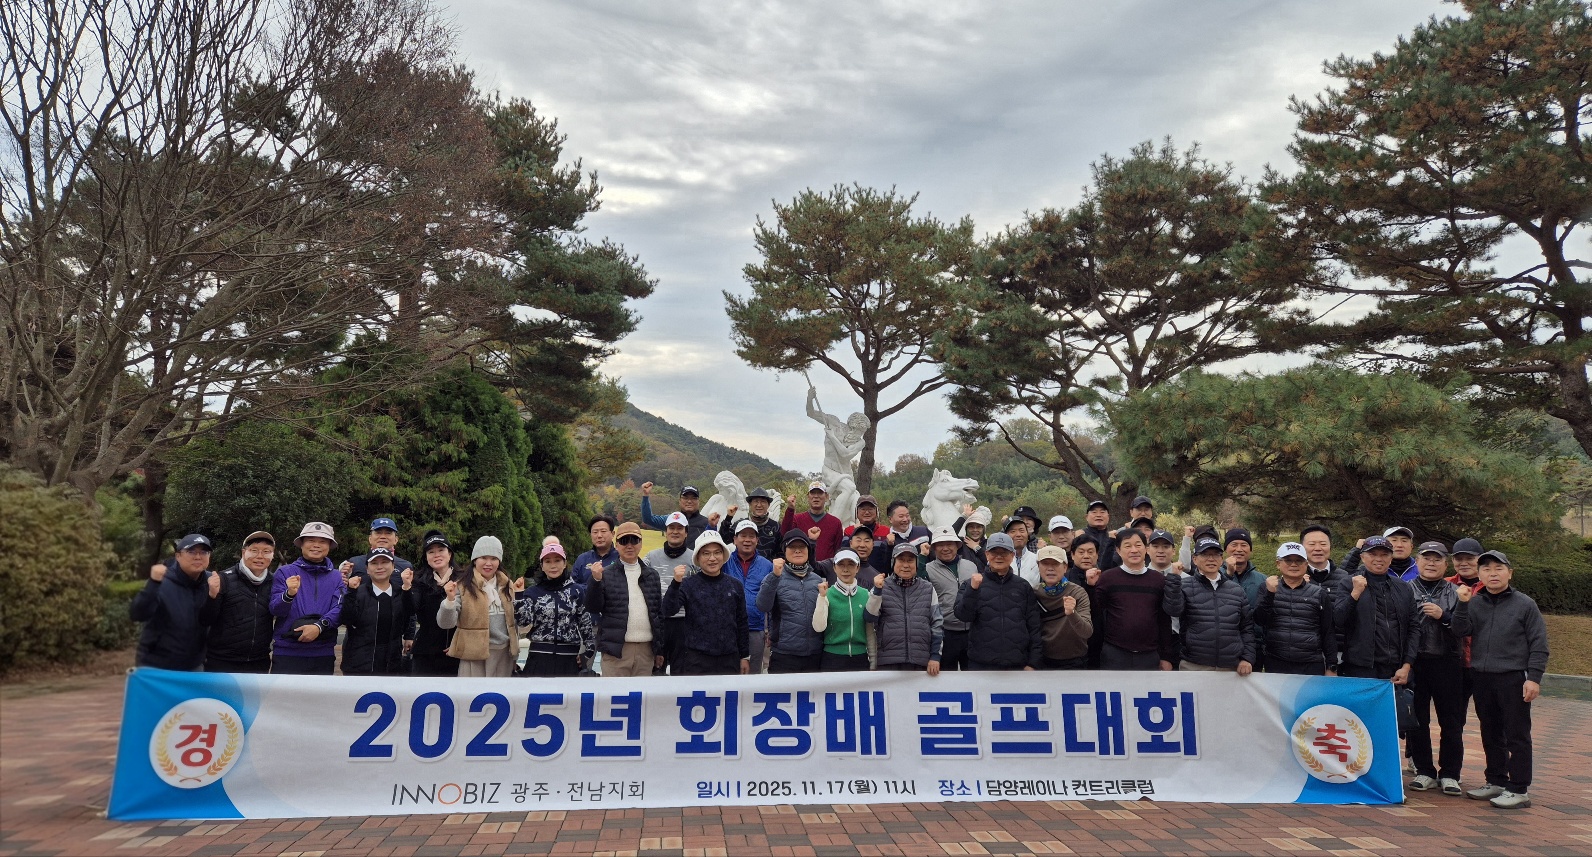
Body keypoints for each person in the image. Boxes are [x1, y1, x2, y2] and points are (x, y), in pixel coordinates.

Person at [1451, 550, 1549, 809]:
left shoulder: (1525, 604)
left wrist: (1534, 678)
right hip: (1482, 676)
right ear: (1479, 575)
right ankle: (1495, 780)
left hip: (1513, 677)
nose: (1492, 574)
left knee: (1517, 734)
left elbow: (1539, 644)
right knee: (1490, 731)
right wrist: (1462, 604)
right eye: (1486, 569)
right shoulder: (1475, 602)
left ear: (1510, 573)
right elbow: (1459, 630)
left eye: (1498, 568)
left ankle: (1519, 788)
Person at [1406, 541, 1467, 796]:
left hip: (1448, 662)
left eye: (1437, 559)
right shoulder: (1405, 589)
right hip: (1415, 662)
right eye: (1426, 558)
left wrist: (1443, 616)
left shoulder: (1457, 592)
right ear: (1417, 561)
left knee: (1451, 721)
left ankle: (1451, 773)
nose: (1431, 563)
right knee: (1417, 720)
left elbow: (1464, 628)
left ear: (1446, 563)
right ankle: (1425, 771)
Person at [1164, 537, 1255, 674]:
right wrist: (1173, 579)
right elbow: (1173, 610)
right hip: (1194, 665)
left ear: (1222, 559)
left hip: (1230, 666)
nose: (1211, 559)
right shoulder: (1184, 586)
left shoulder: (1236, 590)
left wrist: (1247, 658)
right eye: (1205, 554)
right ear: (1195, 559)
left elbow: (1246, 627)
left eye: (1216, 555)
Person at [662, 532, 750, 675]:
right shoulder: (688, 584)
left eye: (717, 553)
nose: (712, 558)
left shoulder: (735, 585)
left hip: (729, 658)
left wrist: (744, 656)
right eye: (706, 553)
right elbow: (668, 610)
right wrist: (675, 583)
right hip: (696, 660)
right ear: (698, 557)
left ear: (723, 555)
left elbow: (742, 622)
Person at [584, 521, 665, 677]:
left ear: (641, 543)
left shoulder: (652, 575)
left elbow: (658, 614)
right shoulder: (605, 574)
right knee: (613, 693)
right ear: (616, 545)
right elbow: (593, 607)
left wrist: (659, 649)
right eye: (624, 540)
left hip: (646, 650)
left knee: (642, 693)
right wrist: (595, 581)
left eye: (634, 540)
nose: (629, 545)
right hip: (616, 651)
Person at [953, 532, 1043, 671]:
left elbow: (1034, 626)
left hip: (1017, 665)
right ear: (987, 554)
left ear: (1012, 555)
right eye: (994, 552)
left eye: (1004, 552)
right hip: (981, 664)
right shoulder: (971, 584)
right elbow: (963, 615)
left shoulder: (1023, 586)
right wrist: (973, 590)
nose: (999, 557)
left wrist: (1033, 662)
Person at [132, 533, 220, 671]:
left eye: (204, 552)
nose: (198, 557)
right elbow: (138, 614)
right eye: (191, 551)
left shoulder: (212, 582)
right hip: (157, 666)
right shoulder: (162, 580)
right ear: (178, 556)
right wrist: (153, 583)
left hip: (194, 665)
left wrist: (213, 596)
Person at [437, 536, 521, 677]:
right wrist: (450, 600)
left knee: (501, 691)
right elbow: (445, 623)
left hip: (504, 654)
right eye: (483, 557)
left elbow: (518, 623)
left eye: (493, 558)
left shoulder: (508, 585)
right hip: (473, 655)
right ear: (475, 559)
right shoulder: (462, 585)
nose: (488, 563)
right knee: (471, 691)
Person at [1339, 535, 1419, 682]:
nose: (1379, 559)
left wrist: (1407, 665)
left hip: (1395, 668)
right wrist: (1355, 594)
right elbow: (1338, 620)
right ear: (1362, 557)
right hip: (1359, 667)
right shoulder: (1349, 583)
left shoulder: (1403, 587)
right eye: (1373, 554)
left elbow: (1413, 627)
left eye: (1384, 554)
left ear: (1391, 558)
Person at [269, 522, 346, 675]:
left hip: (323, 653)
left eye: (322, 541)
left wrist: (318, 626)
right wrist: (289, 594)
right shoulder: (285, 572)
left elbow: (340, 608)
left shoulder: (337, 576)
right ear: (302, 544)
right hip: (287, 652)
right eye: (311, 540)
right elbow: (275, 609)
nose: (316, 545)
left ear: (329, 546)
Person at [1093, 529, 1175, 671]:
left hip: (1149, 654)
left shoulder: (1158, 580)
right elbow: (1096, 612)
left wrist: (1166, 656)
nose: (1134, 550)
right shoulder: (1108, 578)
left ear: (1146, 549)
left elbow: (1164, 620)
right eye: (1127, 546)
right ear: (1118, 550)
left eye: (1138, 545)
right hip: (1115, 652)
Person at [757, 530, 834, 673]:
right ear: (784, 551)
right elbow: (763, 605)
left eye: (802, 547)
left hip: (815, 654)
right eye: (792, 547)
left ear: (808, 550)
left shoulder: (817, 580)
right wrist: (774, 576)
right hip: (784, 654)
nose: (797, 550)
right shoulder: (774, 577)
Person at [1255, 542, 1338, 676]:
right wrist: (1270, 594)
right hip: (1276, 661)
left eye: (1299, 560)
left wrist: (1331, 665)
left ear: (1306, 564)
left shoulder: (1319, 593)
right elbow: (1260, 620)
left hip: (1311, 664)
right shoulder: (1266, 588)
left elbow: (1328, 631)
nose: (1294, 564)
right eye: (1288, 560)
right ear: (1278, 563)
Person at [514, 542, 596, 676]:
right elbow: (523, 621)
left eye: (557, 560)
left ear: (564, 564)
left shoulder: (576, 591)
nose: (553, 565)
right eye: (548, 561)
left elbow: (585, 624)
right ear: (542, 566)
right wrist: (518, 596)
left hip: (569, 658)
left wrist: (587, 653)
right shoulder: (533, 592)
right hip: (539, 657)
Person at [203, 531, 277, 674]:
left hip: (259, 662)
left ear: (272, 555)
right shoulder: (223, 579)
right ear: (244, 552)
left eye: (266, 551)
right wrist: (212, 595)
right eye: (254, 550)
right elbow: (206, 619)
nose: (260, 556)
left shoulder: (275, 582)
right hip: (222, 662)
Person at [869, 543, 944, 673]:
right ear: (893, 562)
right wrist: (877, 592)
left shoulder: (928, 588)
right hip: (888, 660)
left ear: (916, 563)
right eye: (901, 560)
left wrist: (935, 656)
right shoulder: (881, 586)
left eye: (910, 560)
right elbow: (869, 617)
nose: (905, 565)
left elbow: (937, 624)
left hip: (921, 660)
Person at [338, 548, 415, 676]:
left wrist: (407, 588)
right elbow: (346, 619)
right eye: (374, 563)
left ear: (393, 566)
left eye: (384, 562)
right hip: (359, 665)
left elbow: (410, 613)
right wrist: (350, 593)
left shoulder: (401, 593)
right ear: (367, 569)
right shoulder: (356, 593)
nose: (379, 567)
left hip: (392, 665)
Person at [409, 530, 461, 677]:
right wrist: (406, 588)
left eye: (441, 550)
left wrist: (459, 641)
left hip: (456, 652)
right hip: (425, 652)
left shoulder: (464, 579)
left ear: (449, 554)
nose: (436, 555)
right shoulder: (418, 581)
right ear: (426, 558)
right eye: (431, 552)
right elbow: (411, 609)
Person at [725, 519, 775, 673]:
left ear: (757, 540)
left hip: (755, 629)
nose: (747, 540)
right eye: (743, 535)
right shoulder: (724, 562)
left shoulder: (767, 565)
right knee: (727, 673)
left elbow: (772, 599)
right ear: (735, 539)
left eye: (751, 536)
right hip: (728, 628)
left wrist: (771, 630)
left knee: (752, 675)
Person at [1300, 523, 1354, 665]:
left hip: (1340, 652)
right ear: (1302, 548)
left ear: (1330, 546)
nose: (1318, 548)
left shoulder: (1345, 578)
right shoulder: (1293, 579)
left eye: (1323, 544)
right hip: (1305, 653)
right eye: (1312, 544)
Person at [648, 511, 694, 672]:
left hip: (684, 622)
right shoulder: (651, 557)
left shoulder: (695, 558)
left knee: (681, 672)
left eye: (679, 528)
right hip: (658, 622)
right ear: (666, 531)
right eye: (671, 528)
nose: (675, 532)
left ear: (686, 533)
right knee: (656, 671)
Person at [924, 526, 975, 671]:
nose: (945, 548)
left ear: (957, 545)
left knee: (973, 676)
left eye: (949, 544)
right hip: (945, 632)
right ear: (934, 547)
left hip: (971, 632)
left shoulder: (971, 566)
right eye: (940, 544)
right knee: (946, 677)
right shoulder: (928, 569)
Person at [1033, 545, 1092, 669]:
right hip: (1043, 660)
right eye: (1045, 564)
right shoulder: (1033, 593)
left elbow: (1087, 632)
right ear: (1038, 566)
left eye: (1055, 564)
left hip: (1075, 661)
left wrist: (1072, 613)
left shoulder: (1077, 592)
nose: (1050, 568)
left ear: (1065, 567)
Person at [813, 550, 872, 671]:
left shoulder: (865, 594)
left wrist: (873, 660)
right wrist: (822, 597)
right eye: (841, 565)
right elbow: (818, 627)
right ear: (834, 568)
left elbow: (870, 631)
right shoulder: (827, 594)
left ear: (857, 568)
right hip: (832, 658)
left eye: (850, 564)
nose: (845, 569)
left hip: (860, 657)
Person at [1222, 528, 1266, 670]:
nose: (1239, 549)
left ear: (1250, 550)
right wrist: (1228, 574)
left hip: (1255, 647)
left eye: (1244, 545)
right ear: (1226, 549)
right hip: (1222, 647)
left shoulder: (1262, 580)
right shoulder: (1214, 576)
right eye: (1234, 545)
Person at [780, 481, 845, 562]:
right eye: (813, 493)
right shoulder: (797, 519)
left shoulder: (835, 523)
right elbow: (784, 533)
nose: (816, 496)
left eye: (820, 493)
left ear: (826, 497)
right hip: (802, 567)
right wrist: (790, 509)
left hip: (826, 568)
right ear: (808, 497)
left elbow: (838, 549)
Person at [1065, 538, 1105, 669]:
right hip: (1071, 644)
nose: (1086, 556)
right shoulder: (1064, 579)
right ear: (1072, 555)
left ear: (1097, 555)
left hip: (1098, 643)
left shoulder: (1104, 578)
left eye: (1090, 552)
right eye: (1081, 552)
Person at [340, 517, 413, 585]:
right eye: (378, 533)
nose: (383, 537)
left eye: (388, 533)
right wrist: (343, 578)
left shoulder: (405, 566)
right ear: (370, 539)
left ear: (396, 540)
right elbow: (341, 590)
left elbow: (410, 592)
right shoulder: (354, 563)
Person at [718, 487, 781, 559]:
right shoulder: (740, 525)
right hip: (742, 564)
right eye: (756, 501)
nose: (759, 505)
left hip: (768, 565)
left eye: (763, 501)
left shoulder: (776, 527)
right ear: (750, 504)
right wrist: (728, 517)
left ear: (768, 505)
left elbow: (781, 551)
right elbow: (723, 540)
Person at [640, 482, 711, 543]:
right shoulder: (671, 519)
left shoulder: (706, 523)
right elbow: (648, 519)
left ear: (698, 501)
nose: (689, 501)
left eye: (693, 498)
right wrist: (645, 495)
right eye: (685, 498)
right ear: (680, 501)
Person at [571, 515, 618, 586]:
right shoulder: (582, 559)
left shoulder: (620, 558)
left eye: (603, 531)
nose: (599, 536)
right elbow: (573, 586)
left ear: (612, 534)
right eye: (595, 532)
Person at [1076, 500, 1120, 570]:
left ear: (1108, 517)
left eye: (1102, 512)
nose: (1098, 515)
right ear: (1086, 517)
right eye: (1094, 512)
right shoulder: (1079, 535)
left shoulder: (1114, 537)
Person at [1002, 516, 1040, 587]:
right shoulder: (998, 560)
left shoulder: (1037, 560)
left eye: (1022, 531)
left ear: (1027, 534)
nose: (1018, 535)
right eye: (1013, 531)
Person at [958, 505, 991, 572]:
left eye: (978, 527)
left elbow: (992, 563)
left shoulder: (989, 544)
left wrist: (977, 548)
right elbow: (948, 534)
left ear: (983, 529)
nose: (975, 530)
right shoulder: (960, 544)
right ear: (966, 529)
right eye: (971, 527)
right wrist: (964, 516)